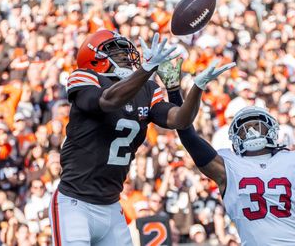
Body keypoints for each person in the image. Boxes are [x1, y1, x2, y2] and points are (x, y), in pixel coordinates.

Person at [49, 30, 235, 246]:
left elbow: (180, 120)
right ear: (95, 59)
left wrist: (196, 88)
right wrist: (146, 69)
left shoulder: (147, 89)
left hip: (111, 205)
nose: (127, 57)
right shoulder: (85, 78)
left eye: (127, 52)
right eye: (117, 52)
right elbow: (108, 101)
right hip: (75, 203)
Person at [157, 61, 295, 245]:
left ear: (271, 130)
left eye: (258, 126)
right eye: (245, 129)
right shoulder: (227, 164)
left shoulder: (292, 160)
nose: (252, 132)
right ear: (234, 137)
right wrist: (177, 91)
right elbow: (189, 137)